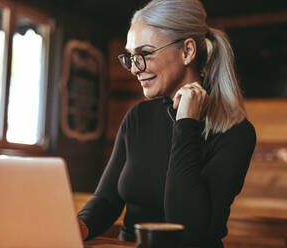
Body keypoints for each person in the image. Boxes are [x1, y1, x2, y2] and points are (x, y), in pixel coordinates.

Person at [77, 0, 256, 247]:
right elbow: (107, 199)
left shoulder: (236, 133)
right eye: (130, 57)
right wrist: (80, 226)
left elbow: (188, 228)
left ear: (187, 52)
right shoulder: (138, 117)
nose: (134, 69)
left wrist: (186, 123)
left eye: (145, 54)